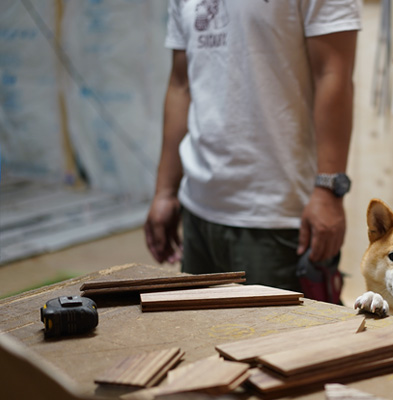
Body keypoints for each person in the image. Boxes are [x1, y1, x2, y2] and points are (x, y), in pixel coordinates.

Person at [144, 0, 361, 293]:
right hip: (198, 207)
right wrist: (165, 190)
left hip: (276, 215)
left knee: (278, 338)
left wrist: (328, 191)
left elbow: (332, 74)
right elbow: (181, 82)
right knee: (200, 334)